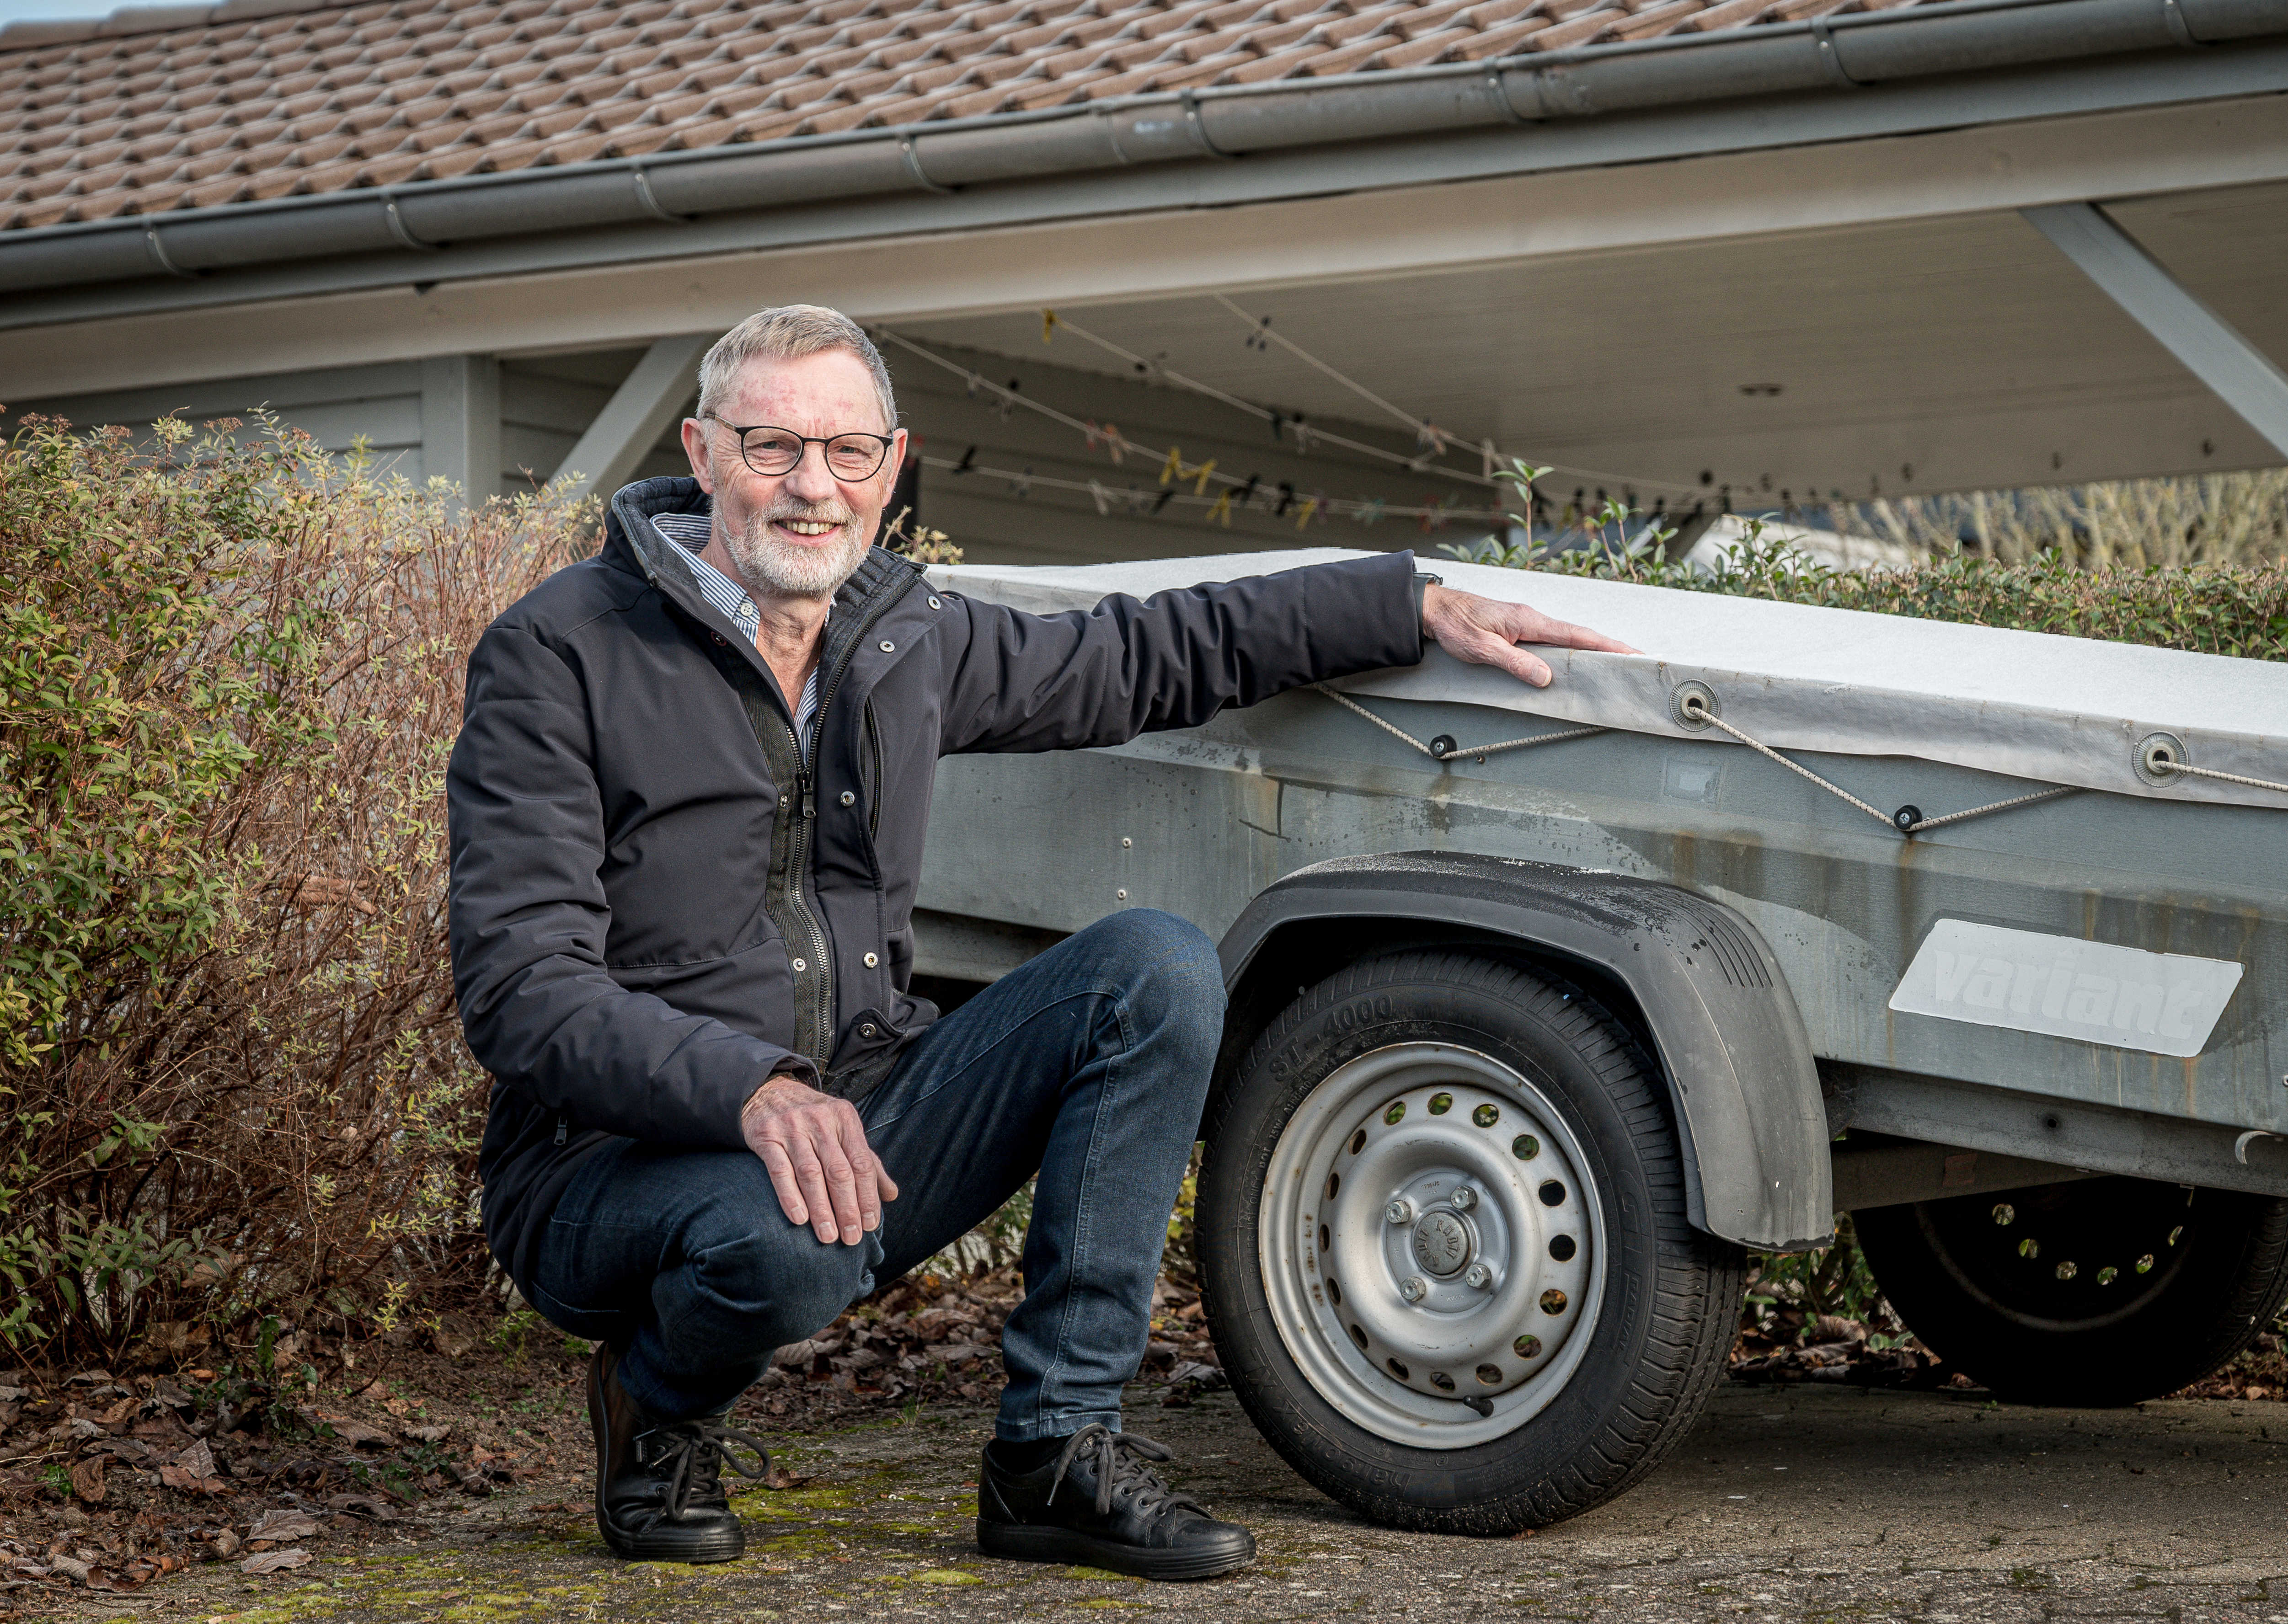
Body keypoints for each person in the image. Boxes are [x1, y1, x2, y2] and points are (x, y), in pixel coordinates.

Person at [446, 304, 1635, 1580]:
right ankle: (655, 1402)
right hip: (609, 1167)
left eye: (847, 452)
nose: (812, 486)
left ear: (892, 465)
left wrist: (1406, 603)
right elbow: (522, 987)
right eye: (772, 446)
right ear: (702, 450)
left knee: (1153, 968)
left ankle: (1056, 1452)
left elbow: (1141, 655)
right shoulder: (560, 652)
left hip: (866, 1106)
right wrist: (752, 1091)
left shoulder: (898, 636)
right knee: (788, 1244)